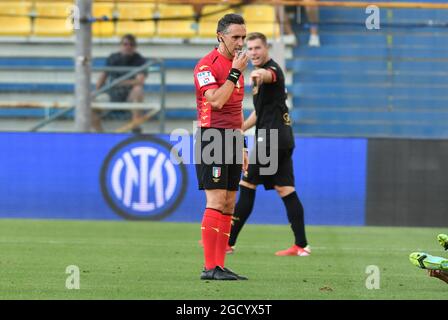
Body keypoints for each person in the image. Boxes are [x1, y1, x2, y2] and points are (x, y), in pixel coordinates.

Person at [228, 32, 310, 257]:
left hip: (271, 139)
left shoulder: (271, 70)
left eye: (257, 48)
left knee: (247, 185)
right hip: (282, 138)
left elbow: (268, 75)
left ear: (266, 49)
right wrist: (241, 128)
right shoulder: (259, 78)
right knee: (286, 189)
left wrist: (258, 74)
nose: (253, 52)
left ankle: (228, 242)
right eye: (250, 48)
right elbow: (260, 111)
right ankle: (302, 245)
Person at [193, 14, 249, 281]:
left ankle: (219, 265)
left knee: (229, 203)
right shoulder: (207, 65)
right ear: (220, 36)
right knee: (215, 200)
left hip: (232, 139)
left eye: (243, 37)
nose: (240, 43)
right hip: (212, 137)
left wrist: (244, 145)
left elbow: (237, 109)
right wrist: (235, 71)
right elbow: (215, 101)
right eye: (235, 37)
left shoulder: (237, 65)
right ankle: (209, 267)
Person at [93, 34, 147, 132]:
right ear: (120, 45)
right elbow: (102, 77)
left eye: (131, 44)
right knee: (90, 103)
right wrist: (95, 93)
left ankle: (135, 126)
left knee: (138, 90)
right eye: (125, 44)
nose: (128, 47)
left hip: (129, 96)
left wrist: (121, 82)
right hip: (112, 94)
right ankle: (99, 134)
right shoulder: (113, 58)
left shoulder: (140, 60)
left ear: (135, 47)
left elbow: (140, 81)